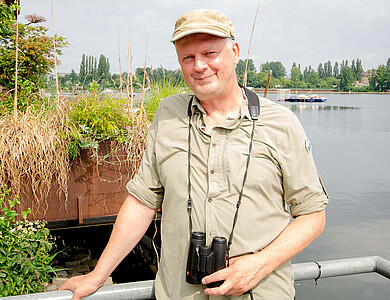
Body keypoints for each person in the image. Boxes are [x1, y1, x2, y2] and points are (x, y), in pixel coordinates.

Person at [60, 9, 329, 300]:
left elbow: (312, 215)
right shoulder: (167, 114)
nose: (199, 66)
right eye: (188, 57)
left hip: (258, 293)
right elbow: (141, 203)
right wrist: (97, 275)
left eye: (210, 53)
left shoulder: (281, 123)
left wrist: (260, 263)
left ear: (235, 52)